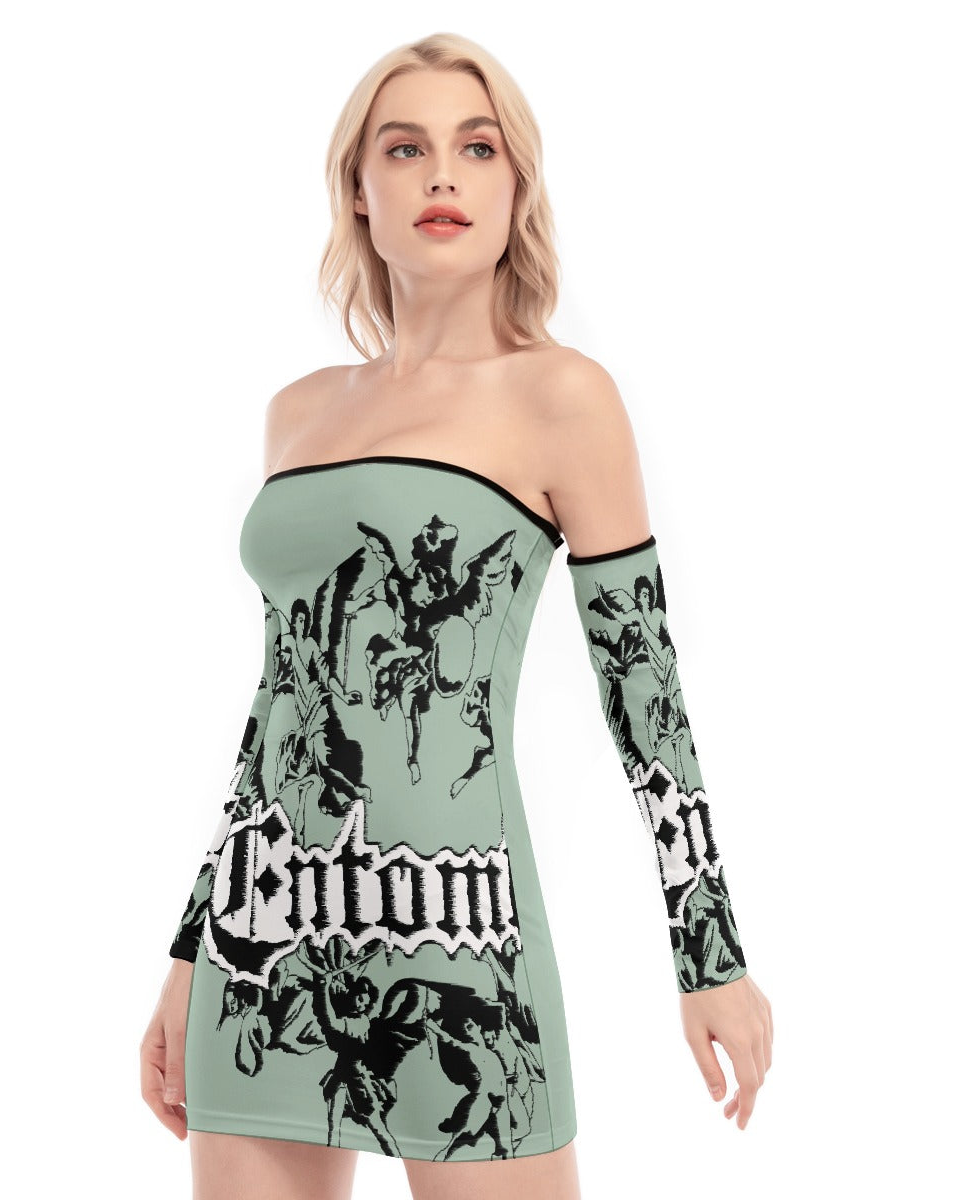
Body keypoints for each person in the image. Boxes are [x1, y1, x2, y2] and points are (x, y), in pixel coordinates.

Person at [139, 31, 773, 1200]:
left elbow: (645, 692)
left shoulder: (561, 396)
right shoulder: (298, 414)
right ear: (358, 190)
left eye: (478, 148)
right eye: (405, 148)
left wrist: (711, 957)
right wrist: (190, 953)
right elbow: (284, 706)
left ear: (516, 185)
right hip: (262, 955)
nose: (442, 175)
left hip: (460, 942)